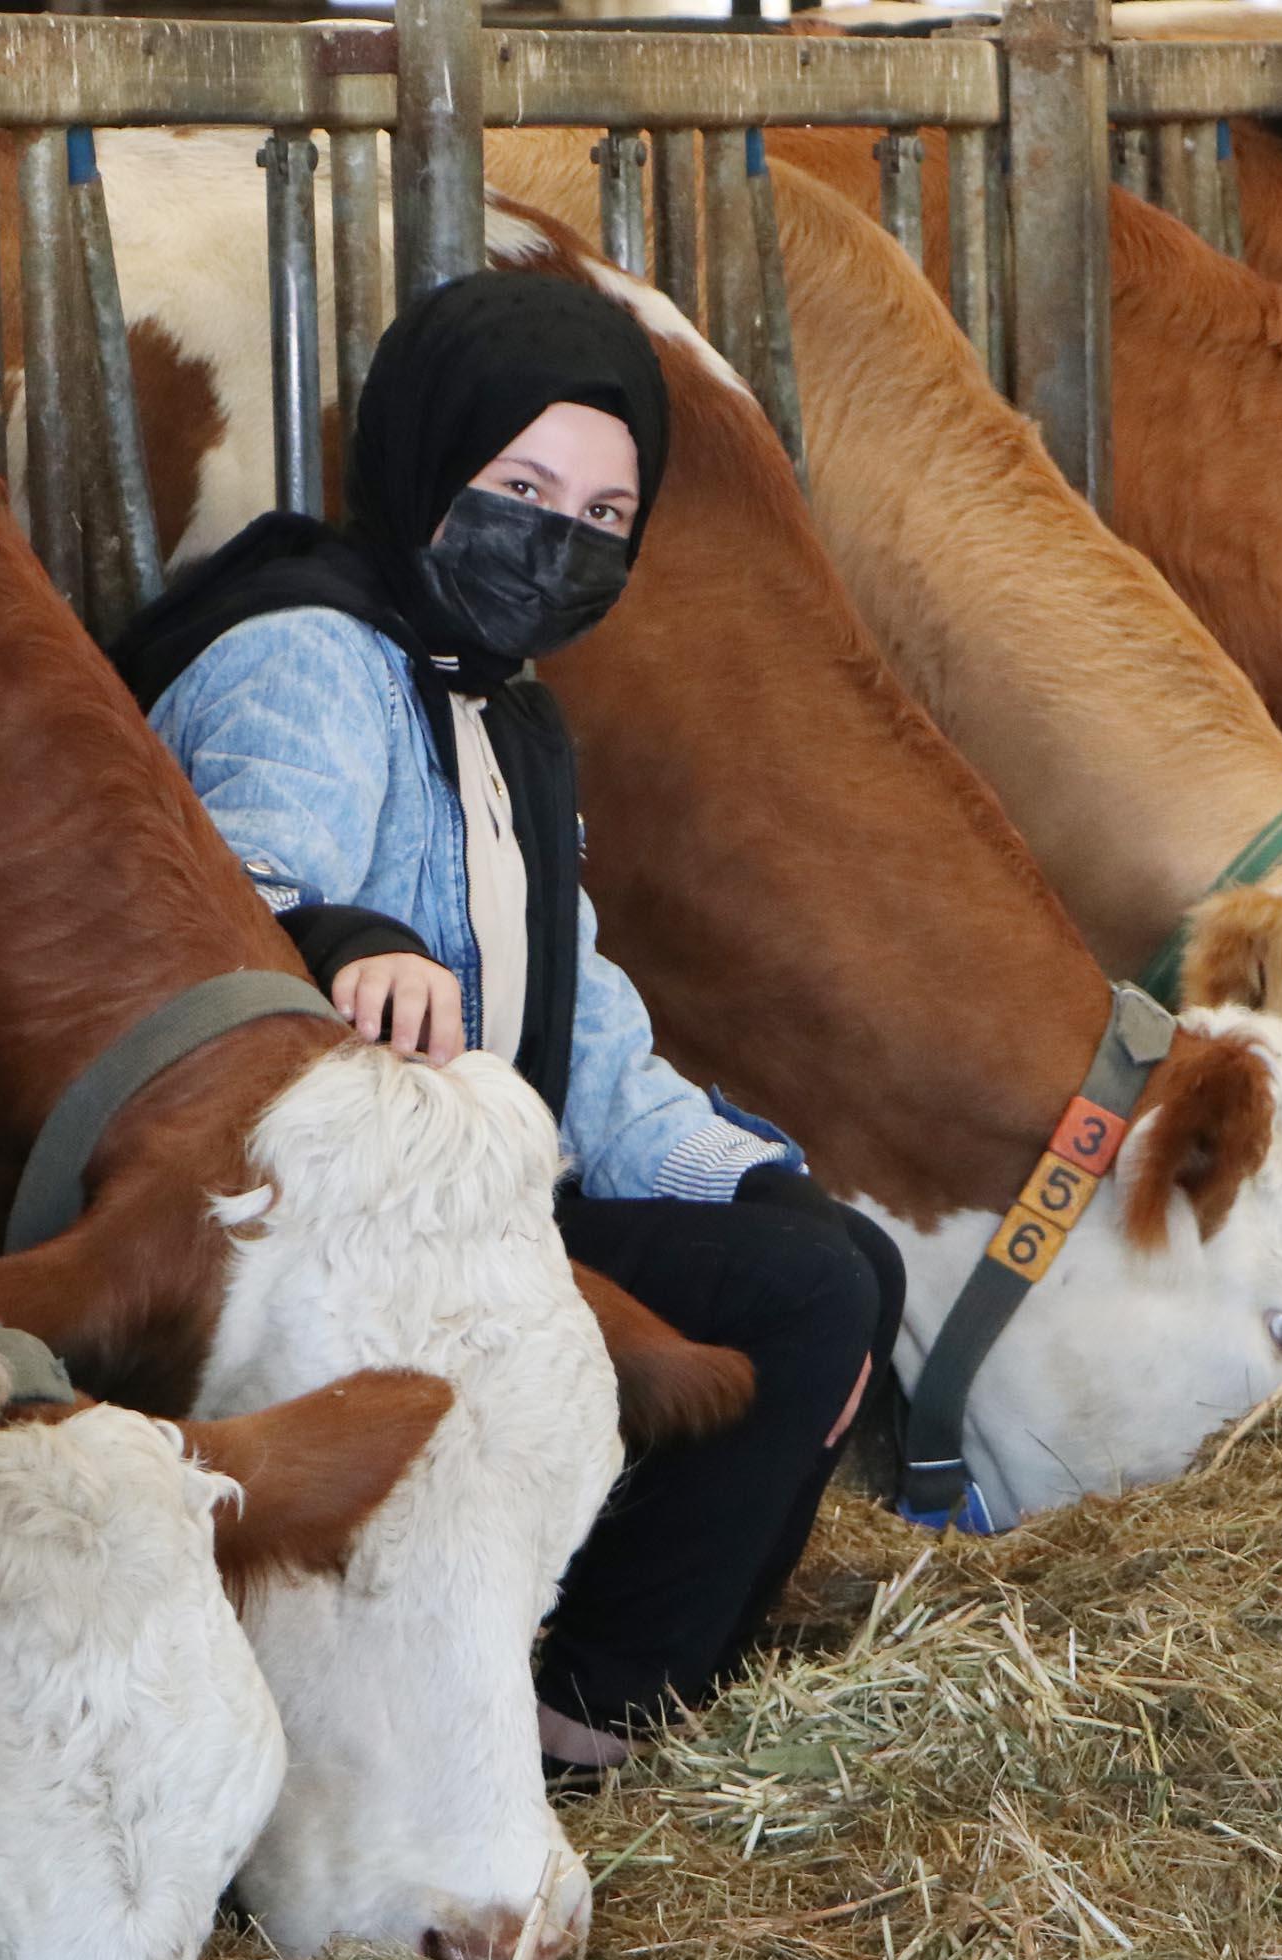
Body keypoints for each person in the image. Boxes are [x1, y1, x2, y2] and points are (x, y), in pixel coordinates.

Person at [112, 271, 903, 1779]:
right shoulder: (308, 652)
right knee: (805, 1296)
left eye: (607, 516)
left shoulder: (510, 710)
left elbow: (581, 1018)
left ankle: (594, 1689)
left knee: (827, 1260)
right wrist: (347, 938)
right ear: (428, 463)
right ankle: (579, 1710)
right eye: (524, 487)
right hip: (324, 1230)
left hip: (478, 1201)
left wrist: (746, 1169)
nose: (562, 540)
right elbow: (215, 899)